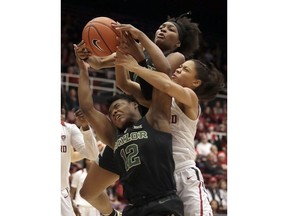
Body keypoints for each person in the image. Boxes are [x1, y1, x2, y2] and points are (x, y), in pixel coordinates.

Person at [113, 18, 224, 215]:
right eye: (179, 67)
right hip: (162, 176)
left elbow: (164, 83)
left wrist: (136, 66)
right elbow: (126, 85)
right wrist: (122, 55)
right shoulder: (161, 103)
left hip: (184, 172)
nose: (178, 69)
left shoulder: (190, 98)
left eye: (184, 69)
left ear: (196, 82)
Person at [76, 29, 184, 216]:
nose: (163, 29)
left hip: (153, 126)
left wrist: (138, 46)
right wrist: (84, 64)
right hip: (135, 206)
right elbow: (104, 78)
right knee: (88, 192)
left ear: (179, 42)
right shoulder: (115, 137)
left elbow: (164, 75)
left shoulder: (174, 58)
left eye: (171, 28)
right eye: (161, 26)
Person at [61, 91, 99, 216]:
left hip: (61, 192)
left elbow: (92, 155)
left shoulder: (68, 129)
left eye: (62, 112)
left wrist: (86, 127)